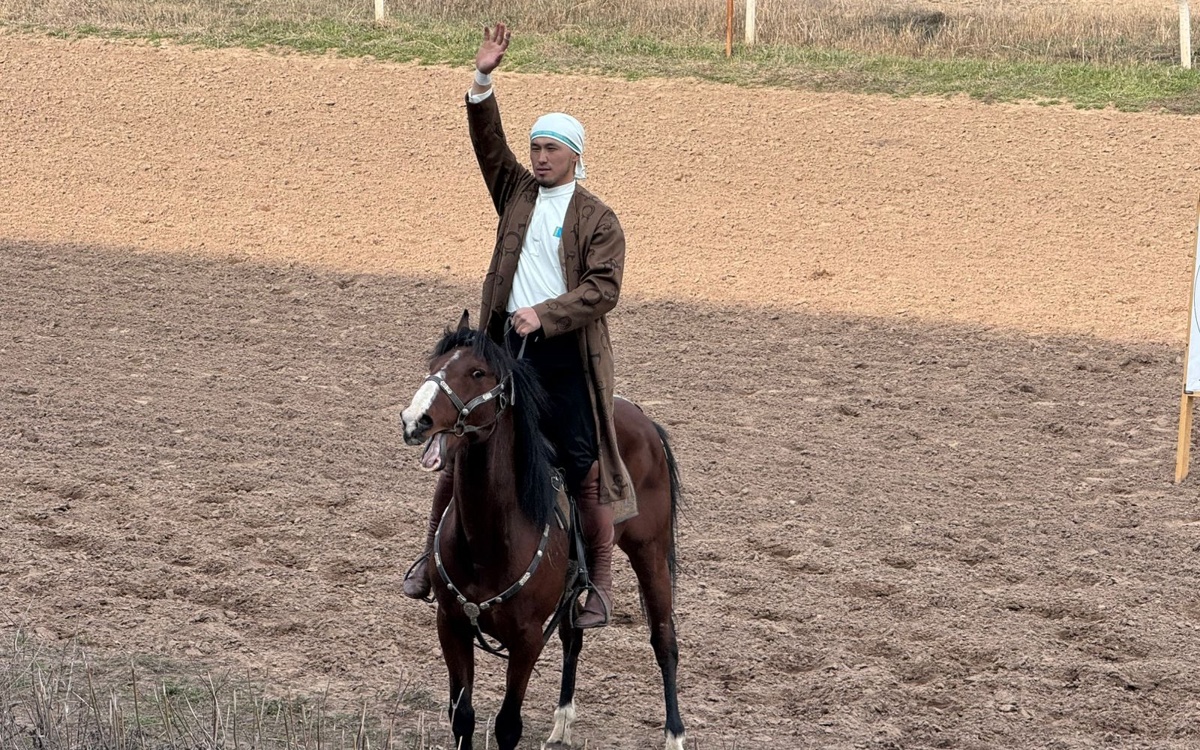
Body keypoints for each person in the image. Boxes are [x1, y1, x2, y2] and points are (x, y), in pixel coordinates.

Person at [402, 23, 635, 629]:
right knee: (462, 451)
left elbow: (603, 289)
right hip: (504, 352)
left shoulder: (598, 219)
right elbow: (488, 145)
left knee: (583, 463)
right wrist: (482, 80)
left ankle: (600, 585)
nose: (538, 157)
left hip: (565, 360)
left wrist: (547, 313)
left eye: (550, 150)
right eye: (534, 148)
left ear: (575, 156)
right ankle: (431, 560)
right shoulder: (516, 192)